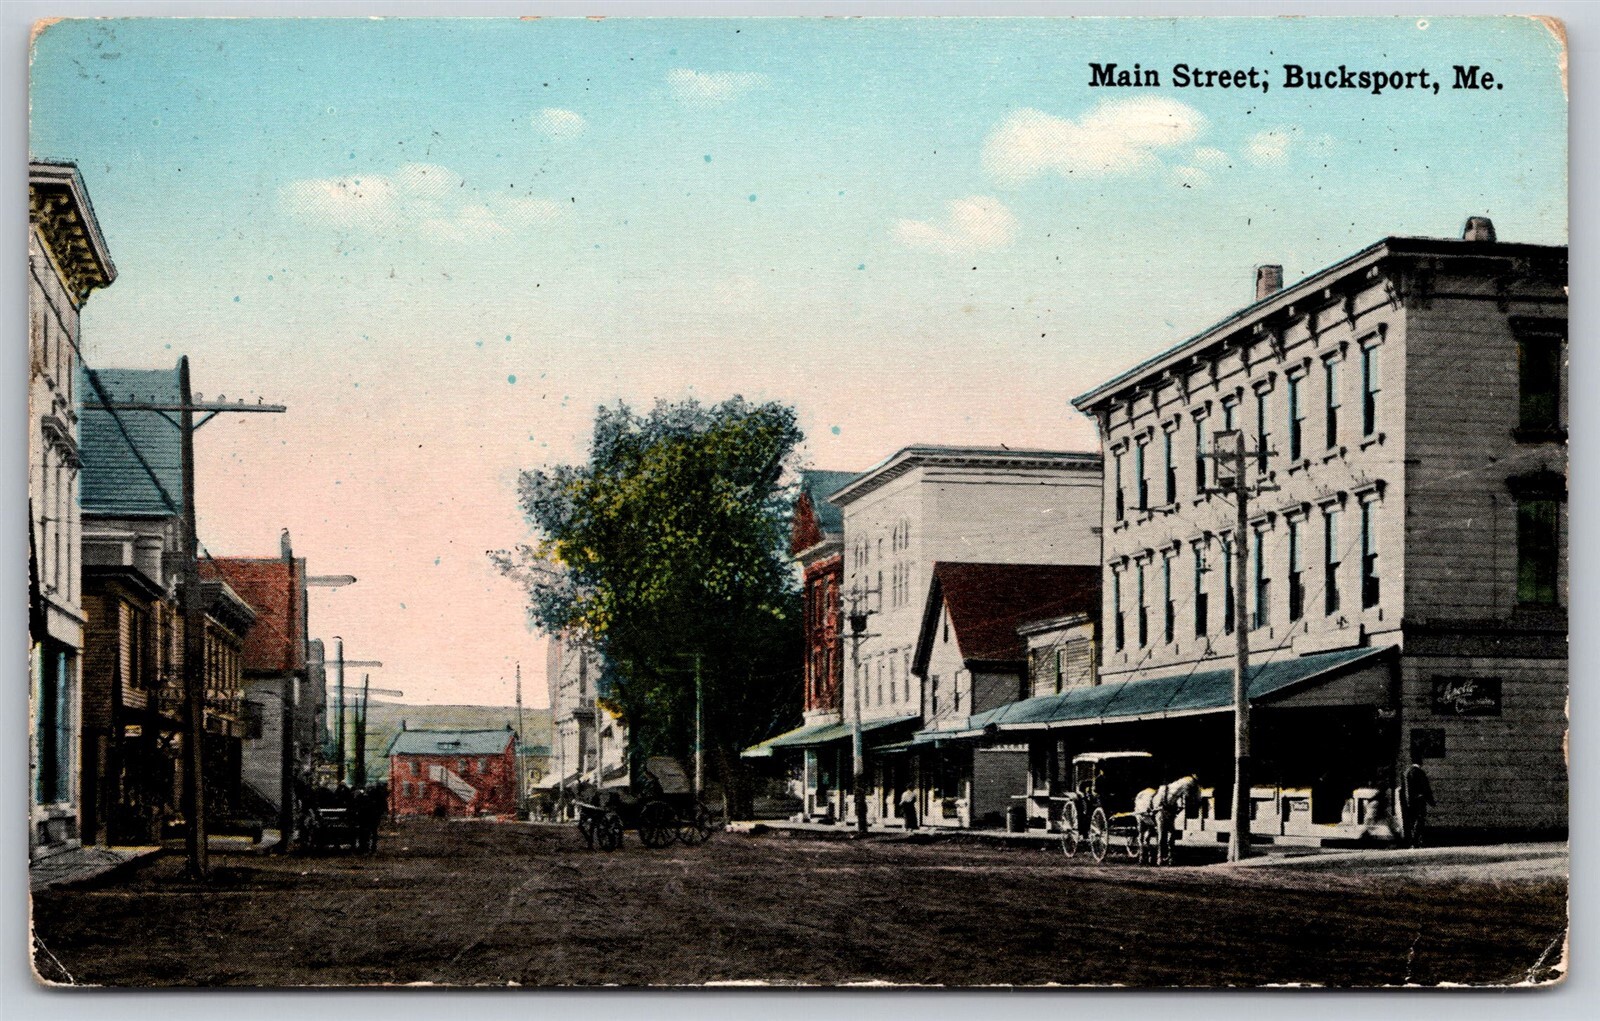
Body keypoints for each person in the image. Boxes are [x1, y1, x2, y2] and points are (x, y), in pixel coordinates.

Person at [1400, 760, 1435, 848]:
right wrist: (1431, 801)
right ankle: (1417, 841)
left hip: (1408, 801)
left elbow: (1404, 788)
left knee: (1411, 821)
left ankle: (1411, 841)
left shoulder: (1406, 772)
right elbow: (1425, 788)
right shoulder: (1420, 772)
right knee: (1419, 820)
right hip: (1419, 800)